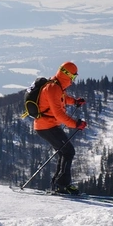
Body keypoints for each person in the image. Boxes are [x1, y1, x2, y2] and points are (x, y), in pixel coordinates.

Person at [34, 61, 87, 194]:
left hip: (49, 125)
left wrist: (75, 101)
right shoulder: (53, 88)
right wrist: (76, 124)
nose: (73, 80)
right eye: (73, 77)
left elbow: (62, 98)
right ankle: (62, 185)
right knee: (68, 151)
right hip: (46, 127)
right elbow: (58, 114)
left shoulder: (57, 86)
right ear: (66, 75)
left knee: (64, 152)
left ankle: (59, 184)